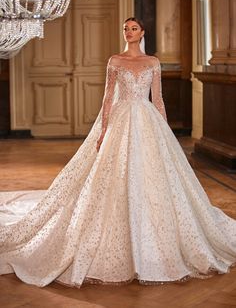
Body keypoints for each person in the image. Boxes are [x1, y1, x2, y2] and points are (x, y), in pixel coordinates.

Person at [0, 17, 236, 288]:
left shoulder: (153, 62)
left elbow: (157, 99)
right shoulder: (115, 60)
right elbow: (107, 97)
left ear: (142, 33)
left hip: (147, 120)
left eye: (134, 28)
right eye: (125, 28)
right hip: (121, 119)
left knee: (152, 177)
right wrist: (102, 131)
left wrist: (166, 131)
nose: (129, 32)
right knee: (115, 174)